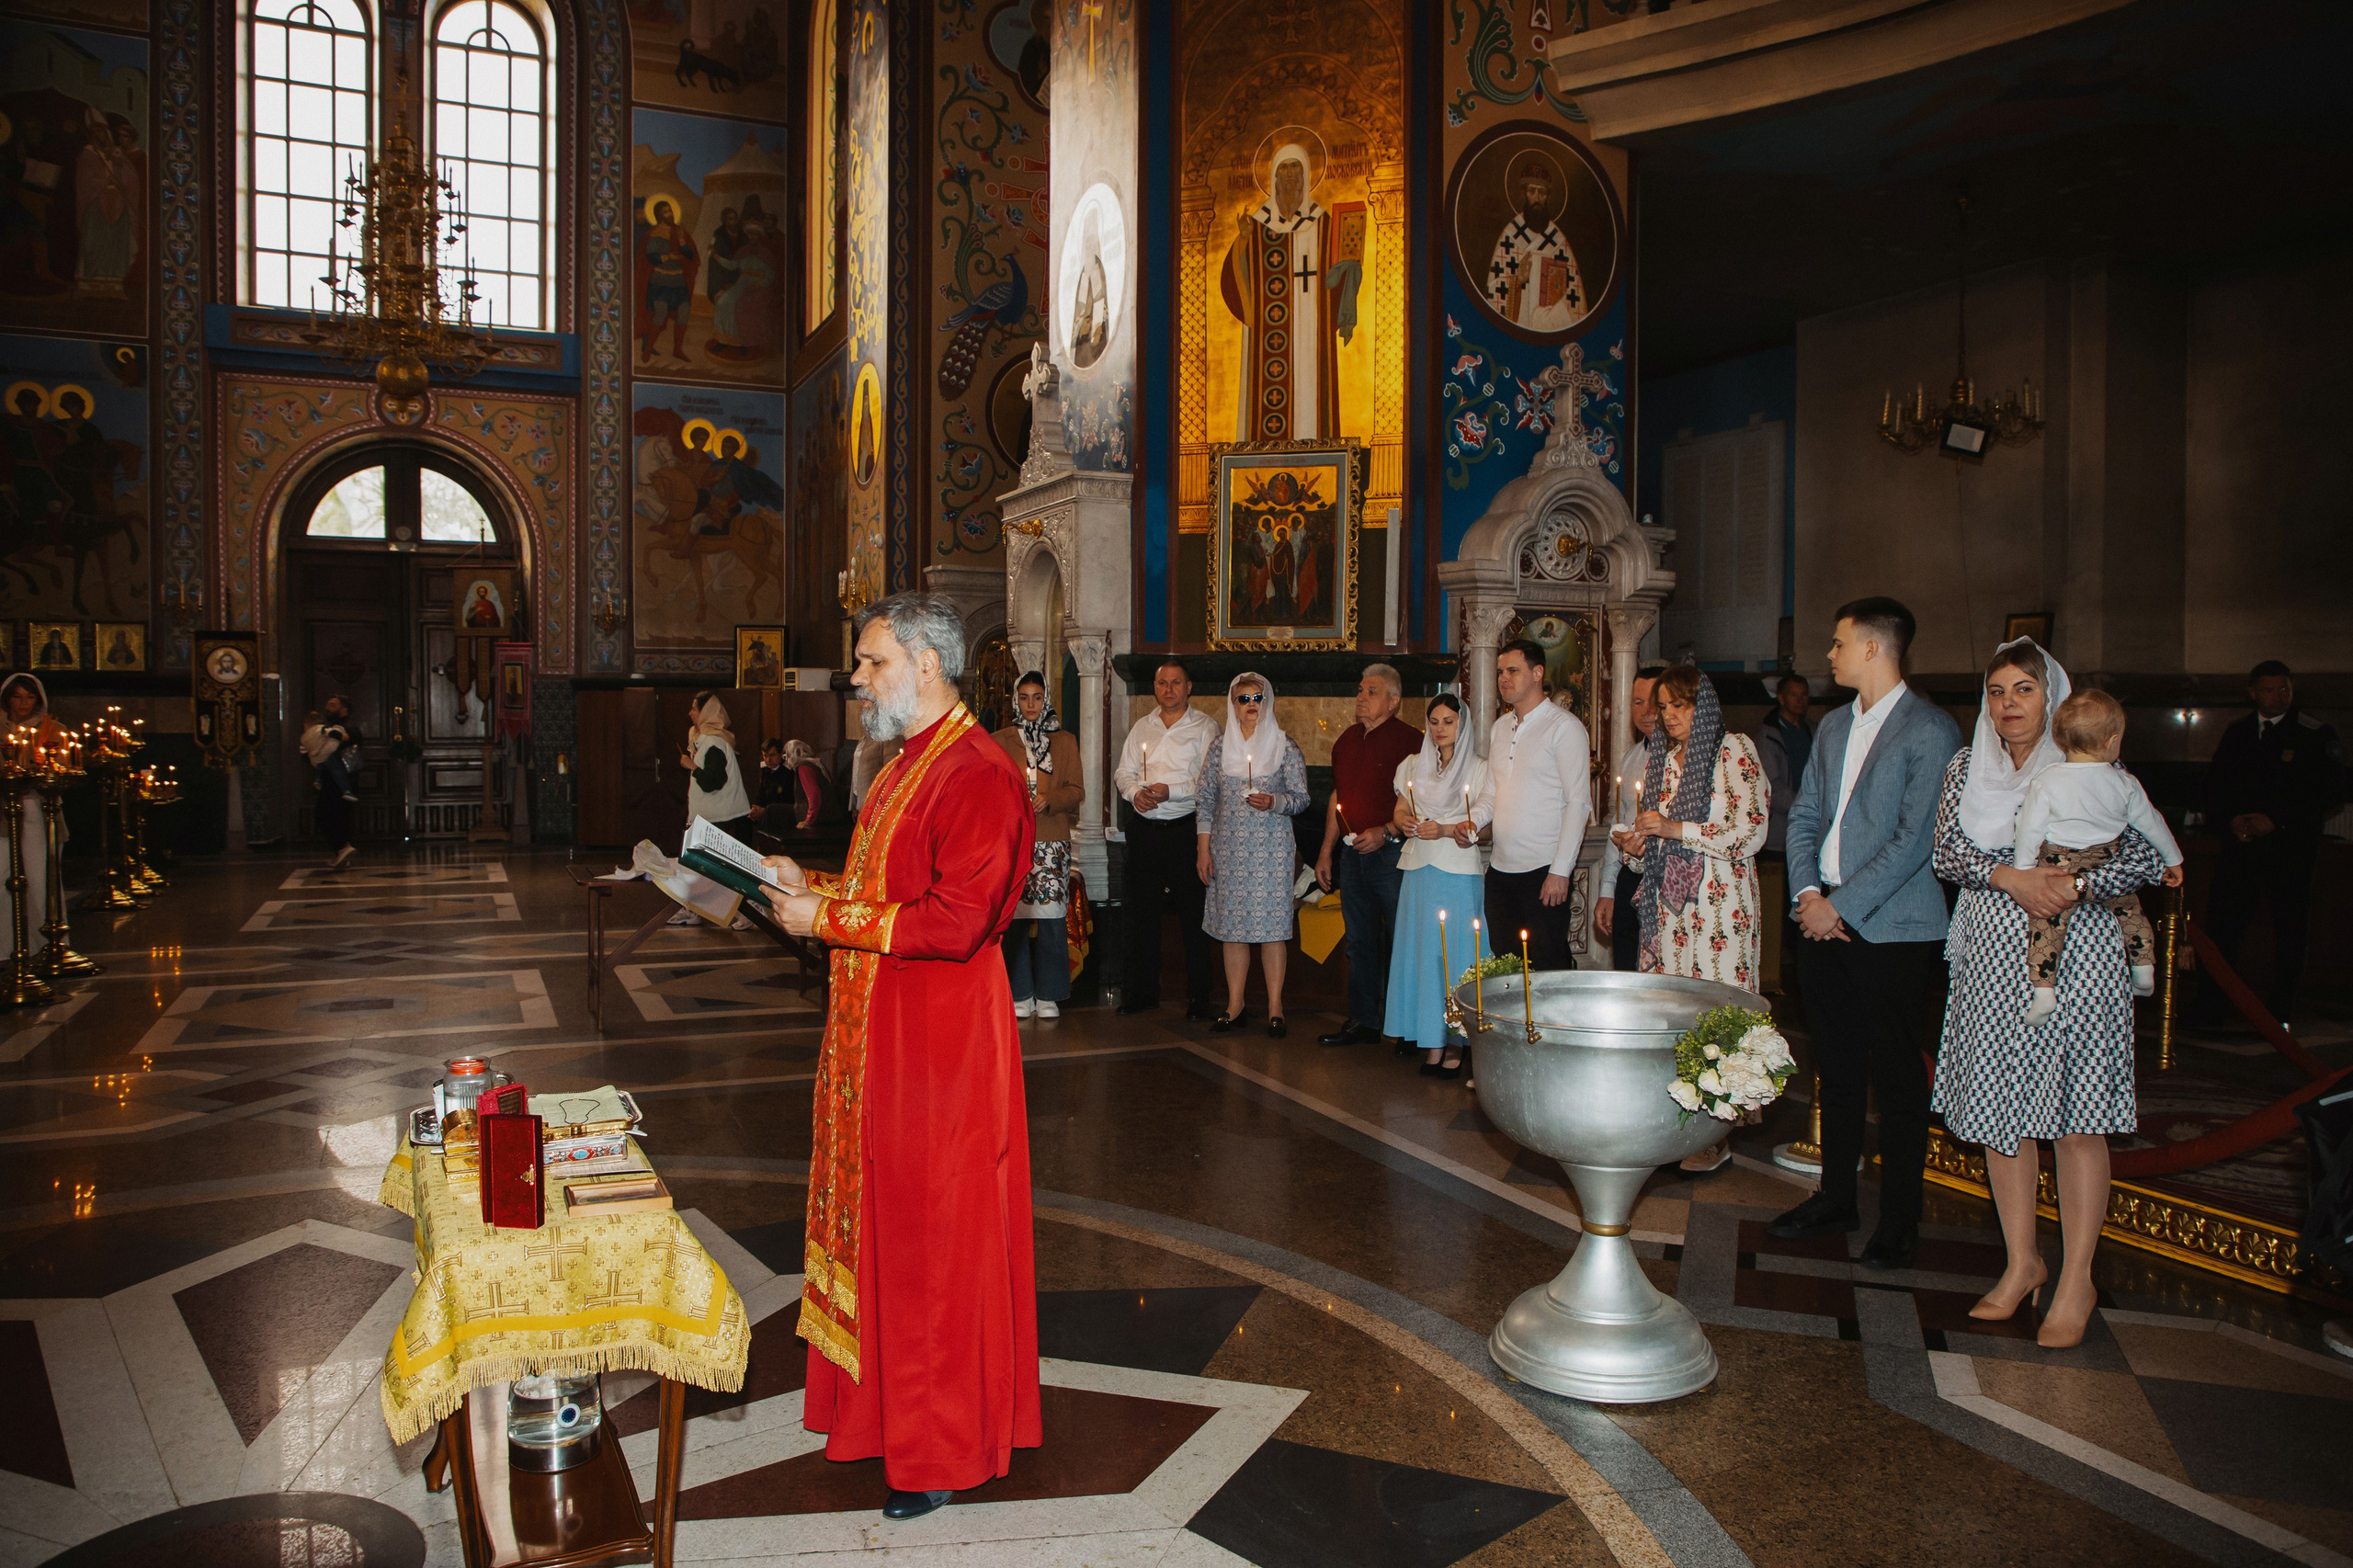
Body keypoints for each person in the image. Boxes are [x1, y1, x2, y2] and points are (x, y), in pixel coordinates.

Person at [756, 592, 1040, 1520]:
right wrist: (814, 886)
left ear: (924, 660)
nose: (858, 676)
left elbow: (958, 920)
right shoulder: (904, 764)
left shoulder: (979, 771)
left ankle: (938, 1445)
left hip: (940, 1042)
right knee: (889, 1226)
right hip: (885, 1032)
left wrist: (828, 917)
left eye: (872, 660)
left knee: (933, 1240)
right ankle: (884, 1415)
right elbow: (892, 890)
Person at [1931, 640, 2167, 1348]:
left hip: (2080, 954)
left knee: (2075, 1113)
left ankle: (2077, 1278)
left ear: (2053, 696)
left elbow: (2149, 855)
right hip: (1990, 951)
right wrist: (2015, 878)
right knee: (2005, 1108)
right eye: (1997, 690)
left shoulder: (2091, 766)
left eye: (2024, 688)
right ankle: (2022, 1263)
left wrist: (2079, 883)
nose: (2009, 703)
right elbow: (1948, 852)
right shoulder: (1966, 766)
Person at [1770, 598, 1961, 1269]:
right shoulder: (1829, 728)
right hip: (1823, 923)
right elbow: (1803, 817)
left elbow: (1916, 841)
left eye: (1839, 643)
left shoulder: (1931, 729)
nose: (1829, 655)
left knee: (1900, 1080)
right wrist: (1807, 894)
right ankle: (1836, 1196)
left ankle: (1900, 1218)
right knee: (1839, 1069)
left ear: (1877, 649)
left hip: (1894, 932)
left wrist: (1841, 908)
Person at [1616, 666, 1769, 1173]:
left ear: (1701, 706)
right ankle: (1677, 1118)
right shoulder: (1660, 760)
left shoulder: (1732, 750)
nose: (1670, 716)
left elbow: (1748, 831)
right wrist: (1634, 848)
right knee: (1674, 1010)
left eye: (1680, 706)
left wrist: (1675, 827)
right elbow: (1653, 847)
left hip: (1719, 908)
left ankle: (1715, 1131)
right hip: (1670, 910)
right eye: (1663, 707)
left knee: (1716, 1011)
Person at [2014, 689, 2185, 1025]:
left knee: (2047, 925)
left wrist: (2023, 870)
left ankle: (2044, 993)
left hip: (2058, 867)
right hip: (2107, 863)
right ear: (2113, 740)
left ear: (2060, 740)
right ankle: (2143, 968)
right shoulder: (2124, 782)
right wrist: (2173, 859)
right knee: (2131, 912)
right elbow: (2152, 823)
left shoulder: (2046, 780)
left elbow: (2029, 829)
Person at [2198, 661, 2345, 1028]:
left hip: (2289, 850)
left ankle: (2280, 1013)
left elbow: (2328, 792)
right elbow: (2217, 787)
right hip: (2241, 848)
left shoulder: (2314, 733)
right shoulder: (2239, 733)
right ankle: (2214, 1007)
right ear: (2253, 692)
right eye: (2269, 690)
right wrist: (2232, 819)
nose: (2278, 697)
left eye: (2285, 690)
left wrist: (2276, 820)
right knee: (2223, 927)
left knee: (2290, 930)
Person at [1466, 640, 1591, 973]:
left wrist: (1560, 872)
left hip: (1543, 871)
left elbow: (1579, 803)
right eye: (1499, 673)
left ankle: (1550, 1028)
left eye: (1512, 671)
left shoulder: (1564, 728)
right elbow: (1492, 793)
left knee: (1547, 969)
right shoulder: (1499, 728)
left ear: (1537, 673)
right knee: (1505, 970)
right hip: (1500, 872)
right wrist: (1472, 822)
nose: (1504, 679)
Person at [1314, 665, 1422, 1049]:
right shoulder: (1345, 741)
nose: (1361, 697)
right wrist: (1326, 850)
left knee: (1401, 937)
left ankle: (1406, 1024)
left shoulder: (1412, 741)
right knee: (1358, 942)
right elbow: (1336, 799)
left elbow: (1419, 803)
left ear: (1394, 701)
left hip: (1393, 856)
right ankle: (1363, 1020)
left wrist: (1386, 831)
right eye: (1360, 689)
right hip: (1351, 857)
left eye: (1372, 691)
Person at [1196, 673, 1310, 1036]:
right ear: (1233, 704)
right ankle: (1235, 1003)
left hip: (1272, 850)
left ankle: (1276, 1007)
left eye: (1257, 698)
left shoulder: (1285, 746)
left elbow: (1302, 798)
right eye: (1243, 699)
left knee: (1273, 930)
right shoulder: (1218, 747)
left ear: (1268, 701)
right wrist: (1203, 849)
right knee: (1233, 930)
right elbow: (1205, 801)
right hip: (1227, 850)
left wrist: (1274, 801)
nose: (1250, 706)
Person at [1384, 695, 1490, 1076]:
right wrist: (1406, 822)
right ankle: (1430, 1040)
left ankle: (1458, 1045)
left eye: (1448, 721)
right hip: (1418, 869)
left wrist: (1448, 829)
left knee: (1457, 956)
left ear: (1463, 725)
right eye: (1434, 721)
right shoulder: (1413, 765)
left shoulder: (1479, 769)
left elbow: (1484, 818)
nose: (1440, 728)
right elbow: (1399, 809)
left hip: (1459, 872)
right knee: (1424, 954)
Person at [1111, 659, 1220, 1019]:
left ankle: (1199, 997)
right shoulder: (1143, 726)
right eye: (1162, 683)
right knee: (1140, 915)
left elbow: (1207, 783)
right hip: (1145, 831)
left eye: (1176, 683)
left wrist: (1169, 791)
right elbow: (1124, 772)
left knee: (1194, 916)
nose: (1168, 689)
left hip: (1184, 830)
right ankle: (1141, 993)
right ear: (1155, 687)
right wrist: (1133, 794)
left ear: (1189, 687)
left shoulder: (1205, 727)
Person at [995, 672, 1083, 1021]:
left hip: (1051, 840)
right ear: (1015, 699)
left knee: (1050, 917)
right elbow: (989, 785)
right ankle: (1019, 991)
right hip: (1014, 840)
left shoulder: (1064, 741)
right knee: (1014, 916)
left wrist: (1051, 799)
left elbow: (1077, 790)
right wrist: (1015, 800)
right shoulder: (1000, 740)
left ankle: (1049, 993)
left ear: (1046, 699)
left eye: (1037, 697)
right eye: (1024, 697)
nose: (1030, 705)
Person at [1594, 665, 1663, 971]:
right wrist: (1608, 889)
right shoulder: (1631, 757)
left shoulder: (1689, 761)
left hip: (1663, 879)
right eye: (1637, 702)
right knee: (1625, 967)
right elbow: (1617, 827)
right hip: (1628, 876)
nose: (1646, 711)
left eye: (1655, 702)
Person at [676, 691, 757, 929]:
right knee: (699, 868)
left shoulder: (714, 743)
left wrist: (691, 766)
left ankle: (751, 912)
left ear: (706, 712)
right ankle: (693, 909)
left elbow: (714, 781)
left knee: (729, 871)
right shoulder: (705, 740)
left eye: (694, 708)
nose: (690, 713)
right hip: (712, 817)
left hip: (724, 819)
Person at [1, 673, 67, 960]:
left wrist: (47, 764)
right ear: (7, 699)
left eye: (29, 697)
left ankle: (49, 944)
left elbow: (64, 766)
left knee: (42, 878)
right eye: (17, 697)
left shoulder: (51, 729)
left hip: (39, 811)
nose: (23, 703)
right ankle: (7, 948)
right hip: (3, 813)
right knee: (4, 878)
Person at [1756, 671, 1813, 989]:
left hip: (1809, 833)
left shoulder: (1811, 731)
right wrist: (1807, 810)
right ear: (1780, 698)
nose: (1800, 700)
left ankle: (1797, 965)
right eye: (1794, 695)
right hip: (1780, 832)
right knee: (1778, 905)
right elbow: (1772, 787)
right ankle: (1773, 970)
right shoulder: (1768, 735)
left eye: (1804, 694)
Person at [313, 694, 359, 869]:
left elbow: (339, 744)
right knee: (333, 815)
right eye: (327, 704)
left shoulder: (349, 728)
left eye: (333, 705)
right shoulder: (330, 727)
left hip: (342, 780)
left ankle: (343, 847)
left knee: (332, 815)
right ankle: (342, 850)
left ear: (344, 710)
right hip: (331, 779)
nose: (327, 707)